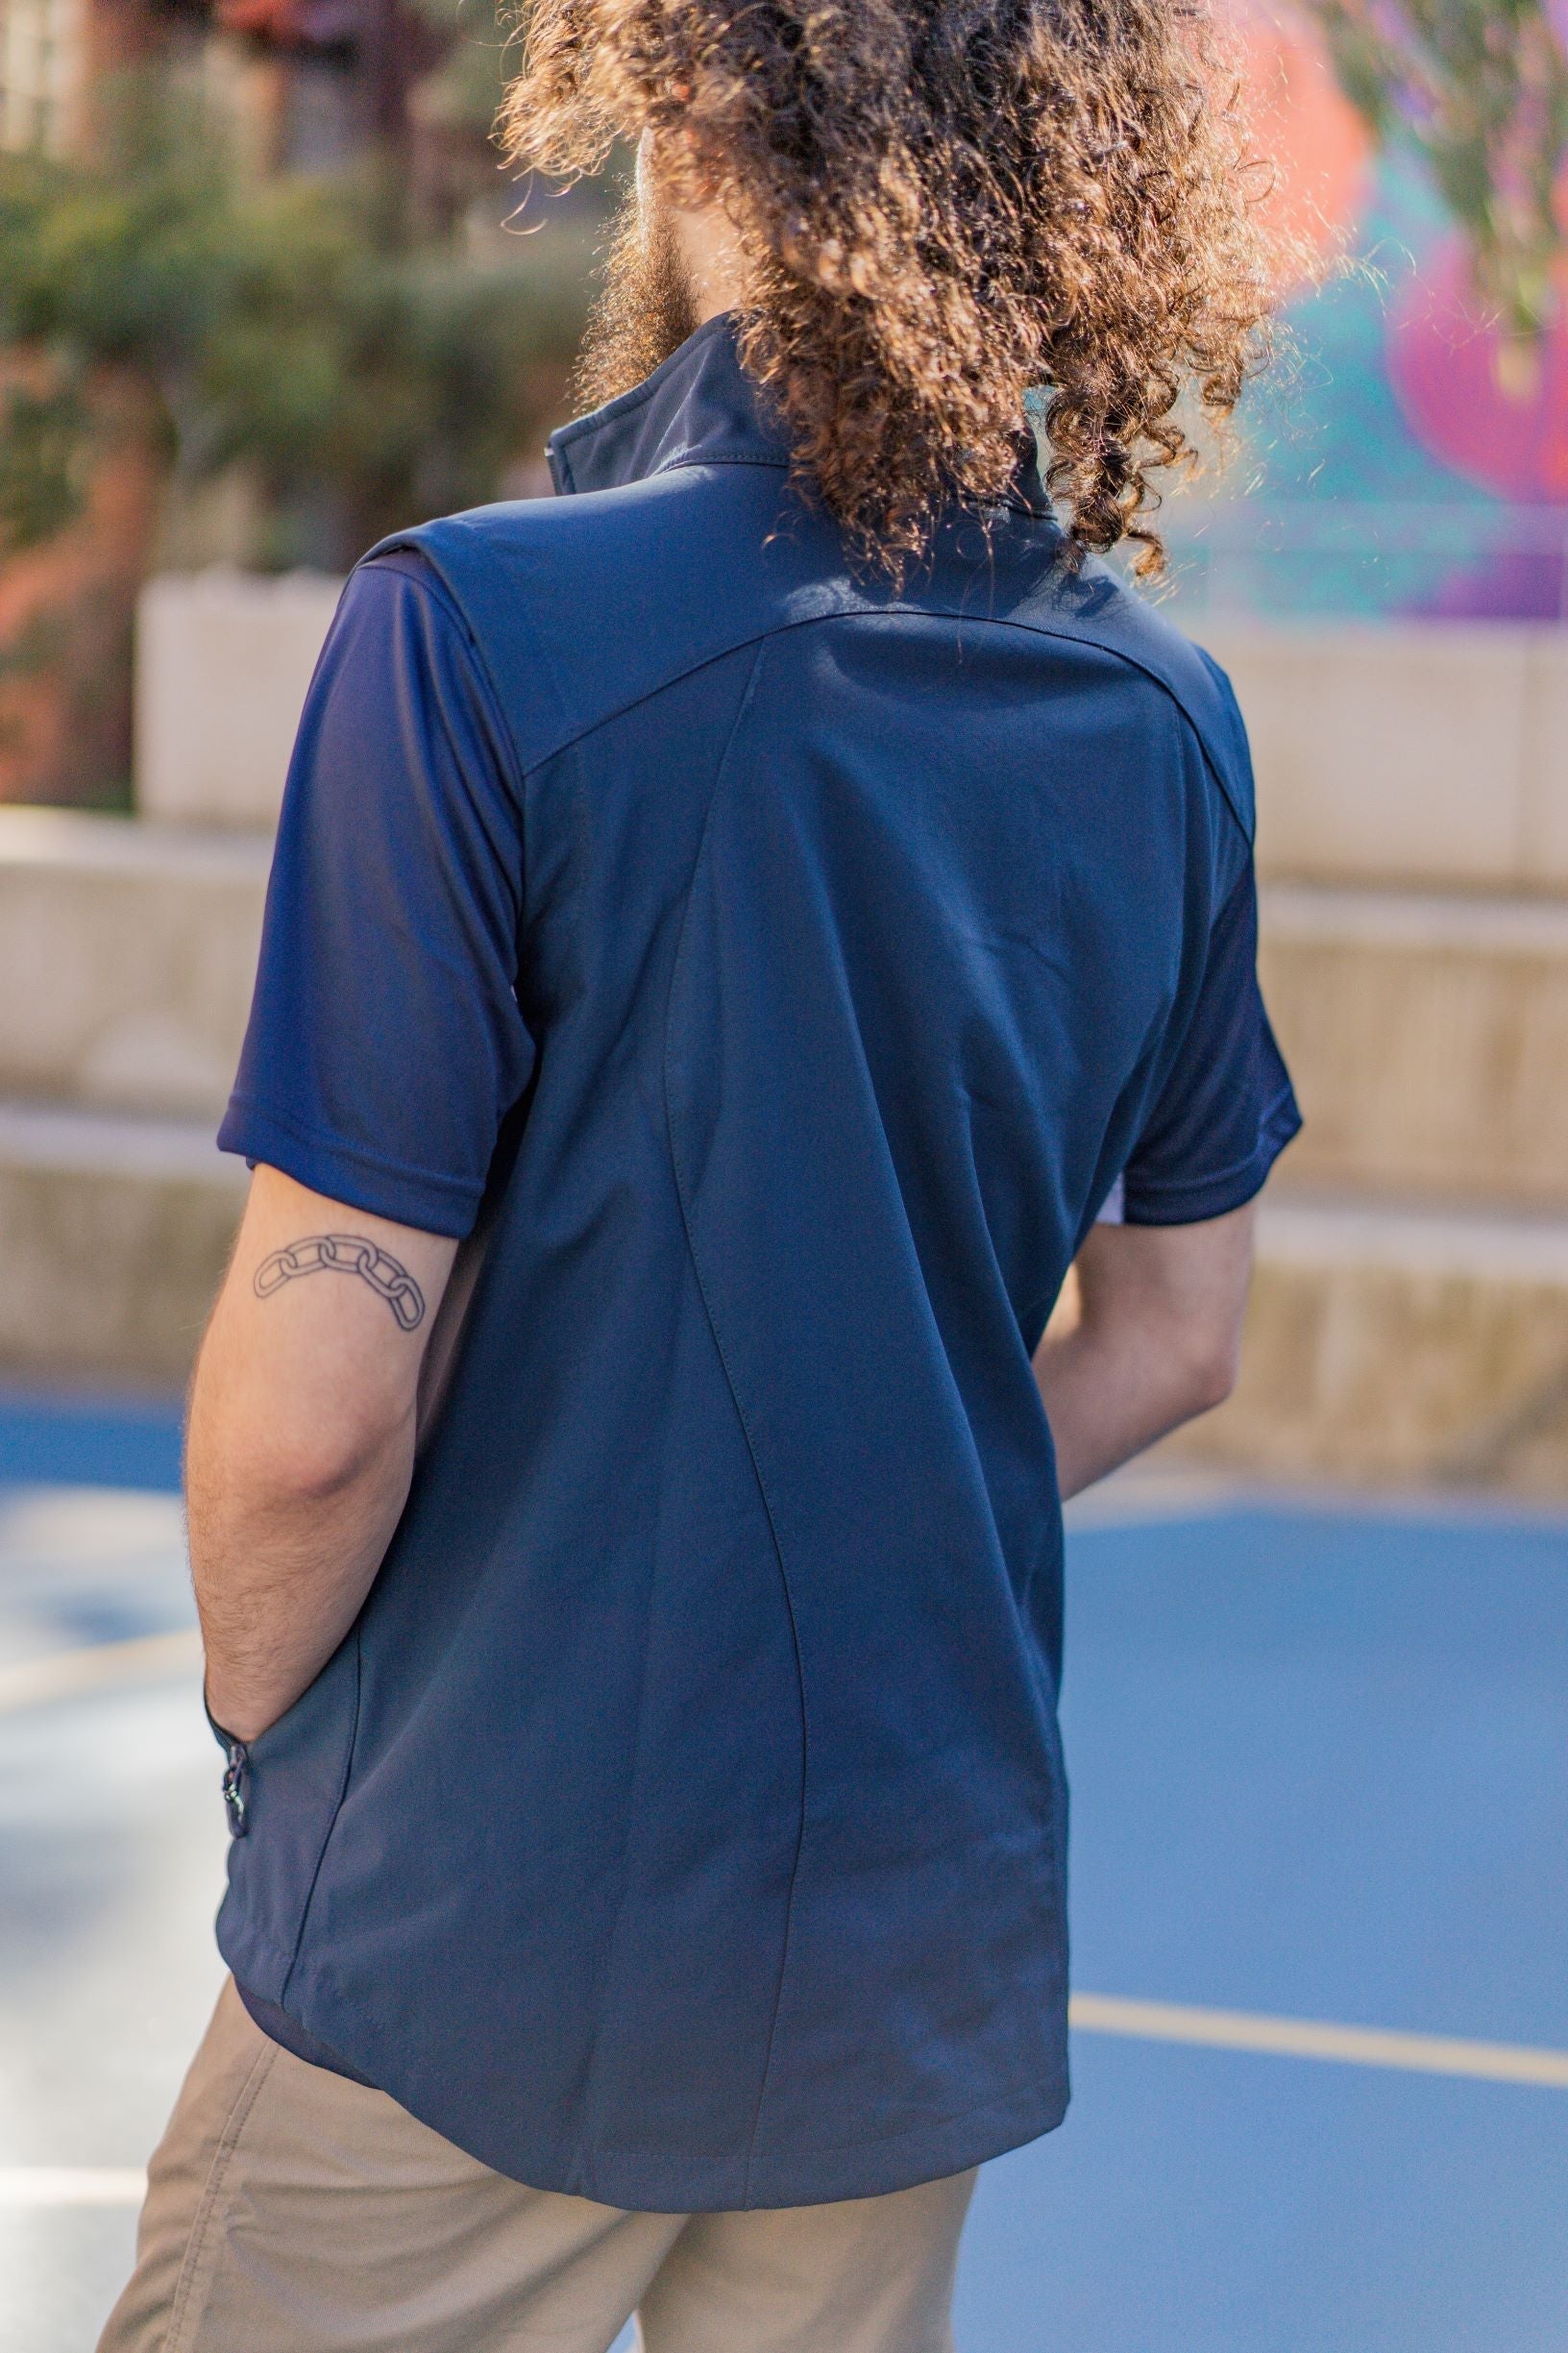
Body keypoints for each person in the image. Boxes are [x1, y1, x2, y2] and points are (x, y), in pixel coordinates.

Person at [101, 3, 1300, 2346]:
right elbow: (1182, 1331)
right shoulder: (1168, 720)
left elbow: (318, 1400)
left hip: (479, 1920)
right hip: (906, 1969)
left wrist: (282, 1746)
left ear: (679, 103)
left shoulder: (482, 634)